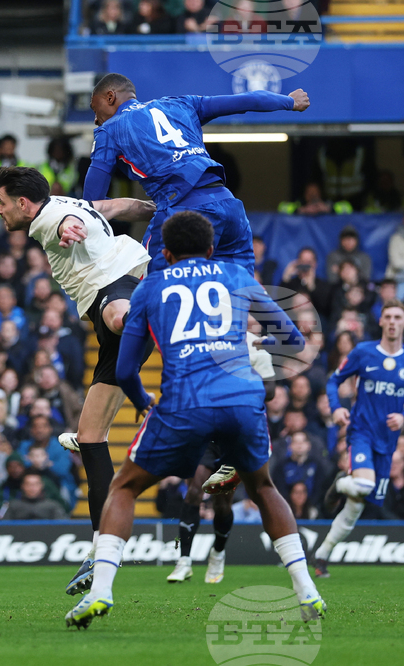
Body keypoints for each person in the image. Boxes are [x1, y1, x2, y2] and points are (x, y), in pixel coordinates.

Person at [66, 211, 325, 629]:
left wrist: (142, 401)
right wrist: (251, 346)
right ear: (210, 248)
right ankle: (306, 589)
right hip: (242, 399)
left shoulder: (151, 285)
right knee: (263, 487)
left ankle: (100, 593)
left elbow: (128, 370)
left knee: (125, 487)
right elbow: (293, 339)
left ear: (164, 252)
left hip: (185, 401)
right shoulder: (236, 275)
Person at [0, 165, 155, 595]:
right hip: (117, 297)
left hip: (114, 291)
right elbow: (115, 206)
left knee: (119, 317)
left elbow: (72, 223)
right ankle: (102, 549)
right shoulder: (70, 202)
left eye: (2, 202)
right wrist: (154, 208)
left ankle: (158, 315)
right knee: (90, 437)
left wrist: (70, 230)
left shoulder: (53, 218)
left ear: (23, 204)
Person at [83, 73, 310, 274]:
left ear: (110, 97)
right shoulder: (181, 103)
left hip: (182, 215)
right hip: (230, 209)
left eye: (95, 109)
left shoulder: (109, 130)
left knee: (153, 295)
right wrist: (288, 101)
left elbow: (91, 202)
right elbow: (244, 100)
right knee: (238, 300)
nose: (96, 119)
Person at [166, 329, 277, 585]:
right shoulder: (202, 342)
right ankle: (183, 561)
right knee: (194, 490)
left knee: (221, 502)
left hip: (237, 432)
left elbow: (270, 391)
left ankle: (217, 553)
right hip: (207, 428)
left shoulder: (255, 345)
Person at [314, 299, 404, 577]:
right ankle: (342, 483)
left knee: (354, 511)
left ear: (403, 323)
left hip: (387, 442)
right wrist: (337, 407)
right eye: (388, 316)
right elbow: (333, 381)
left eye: (398, 317)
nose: (392, 322)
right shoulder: (364, 352)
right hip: (361, 432)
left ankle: (321, 556)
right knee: (363, 485)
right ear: (380, 321)